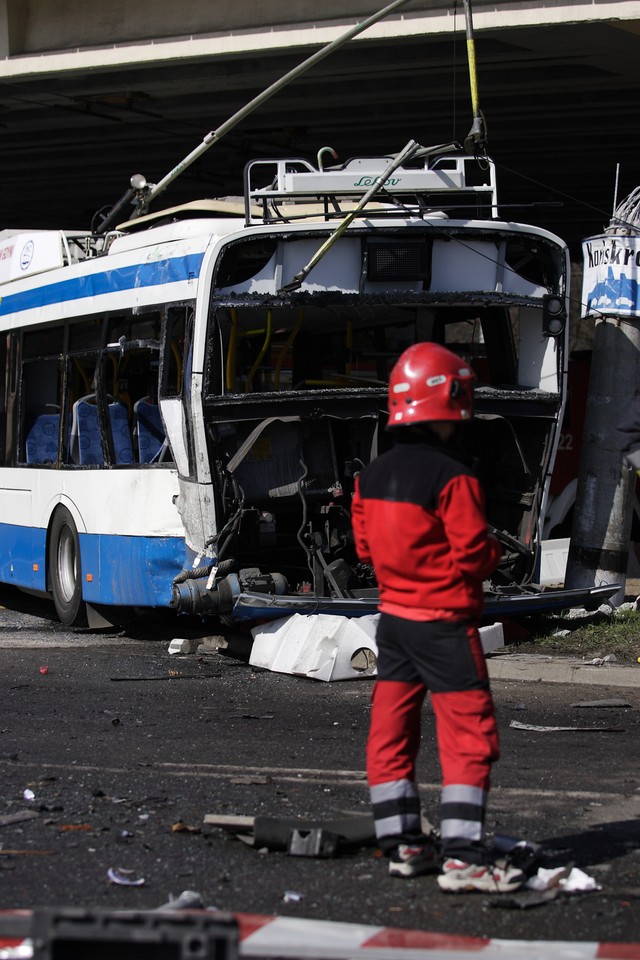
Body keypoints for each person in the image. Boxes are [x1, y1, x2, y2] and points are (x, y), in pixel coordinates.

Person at [350, 342, 525, 894]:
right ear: (452, 403)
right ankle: (465, 859)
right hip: (446, 625)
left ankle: (403, 845)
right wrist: (498, 555)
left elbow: (363, 548)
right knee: (468, 737)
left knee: (391, 733)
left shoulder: (369, 477)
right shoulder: (456, 479)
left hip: (394, 624)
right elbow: (474, 555)